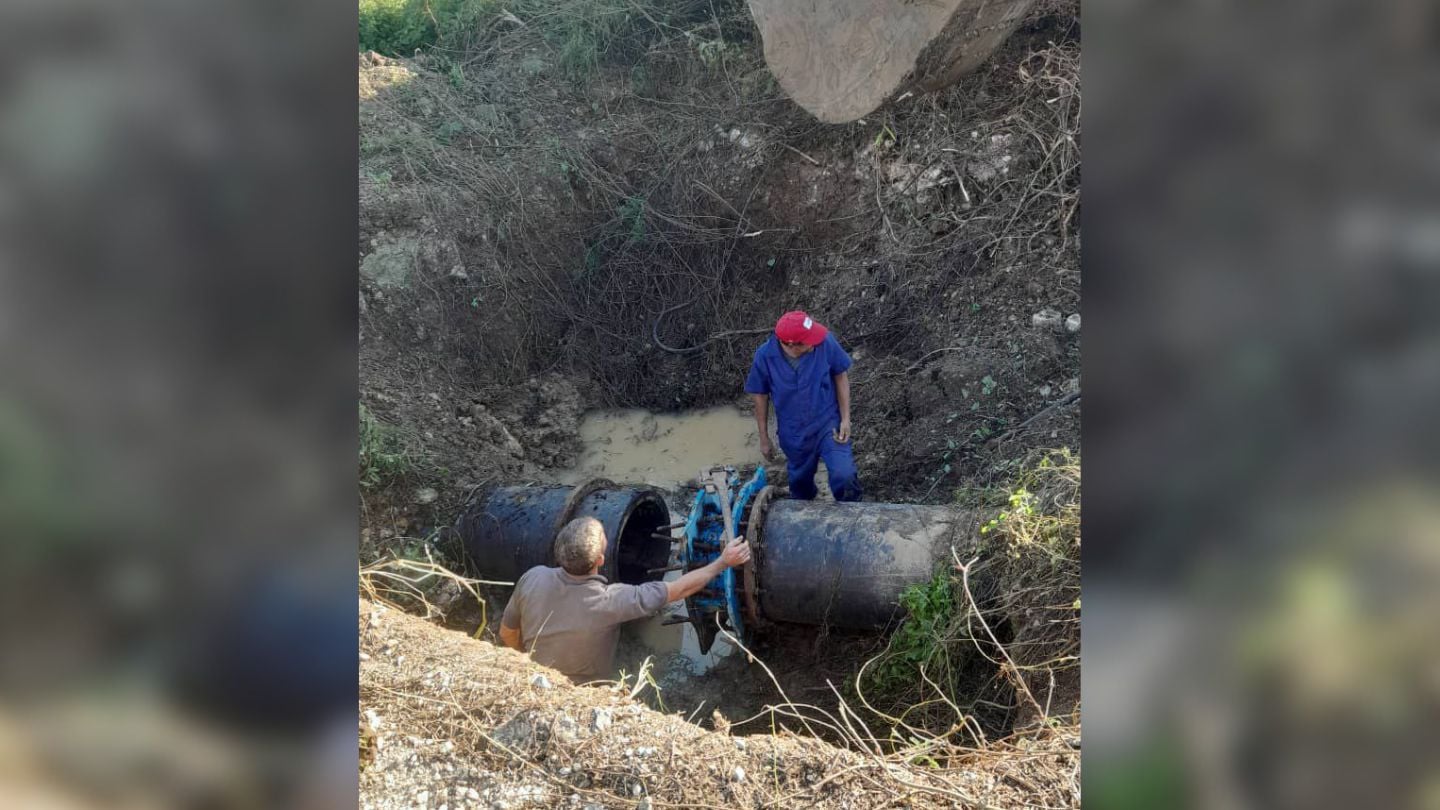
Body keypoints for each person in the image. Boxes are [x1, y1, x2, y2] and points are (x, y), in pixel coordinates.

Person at [498, 516, 751, 683]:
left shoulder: (532, 577)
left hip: (534, 679)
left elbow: (507, 634)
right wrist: (723, 562)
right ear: (600, 560)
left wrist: (528, 664)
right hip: (586, 693)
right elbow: (680, 590)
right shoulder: (613, 601)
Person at [744, 310, 863, 501]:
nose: (815, 341)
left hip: (828, 422)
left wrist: (846, 419)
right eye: (809, 339)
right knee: (800, 486)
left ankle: (853, 514)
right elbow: (760, 396)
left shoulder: (825, 342)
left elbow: (840, 375)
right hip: (794, 431)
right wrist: (764, 438)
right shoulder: (765, 357)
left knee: (845, 475)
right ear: (791, 345)